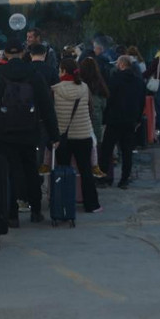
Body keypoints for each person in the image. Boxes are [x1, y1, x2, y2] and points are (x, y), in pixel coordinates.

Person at [0, 40, 59, 226]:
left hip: (3, 133)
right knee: (30, 169)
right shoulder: (34, 74)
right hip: (29, 131)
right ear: (23, 52)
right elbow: (47, 106)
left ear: (5, 54)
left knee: (7, 173)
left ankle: (12, 215)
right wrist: (54, 134)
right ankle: (36, 211)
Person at [52, 57, 102, 213]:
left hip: (63, 136)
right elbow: (91, 109)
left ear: (63, 71)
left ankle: (64, 205)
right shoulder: (84, 87)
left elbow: (52, 113)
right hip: (83, 134)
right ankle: (92, 204)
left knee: (63, 171)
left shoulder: (55, 89)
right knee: (86, 170)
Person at [98, 56, 145, 189]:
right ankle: (124, 179)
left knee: (107, 149)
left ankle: (103, 177)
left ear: (122, 65)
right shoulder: (138, 81)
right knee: (127, 151)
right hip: (130, 120)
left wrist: (105, 117)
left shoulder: (115, 79)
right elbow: (141, 101)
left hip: (114, 119)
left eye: (118, 63)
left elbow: (109, 99)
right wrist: (138, 119)